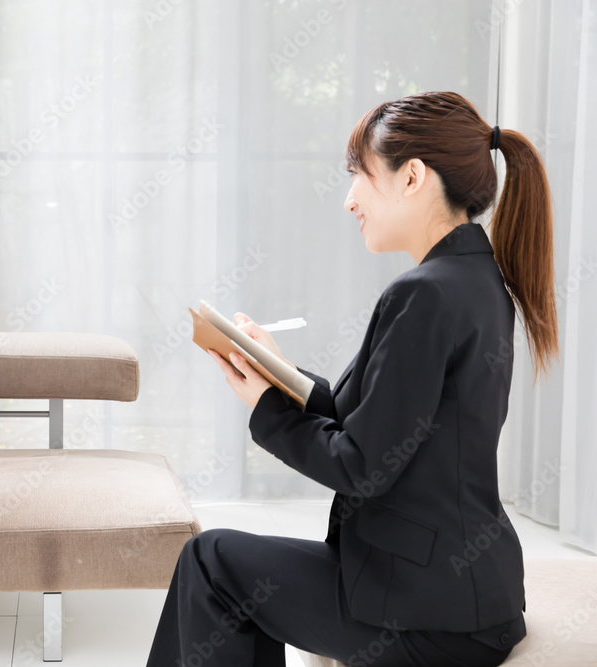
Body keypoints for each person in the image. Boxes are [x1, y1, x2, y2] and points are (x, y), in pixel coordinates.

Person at [146, 91, 559, 666]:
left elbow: (361, 465)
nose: (349, 199)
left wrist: (267, 409)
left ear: (412, 176)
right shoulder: (475, 279)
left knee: (209, 562)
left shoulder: (424, 294)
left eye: (360, 175)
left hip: (429, 615)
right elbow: (379, 420)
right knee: (218, 561)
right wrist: (278, 372)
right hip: (461, 596)